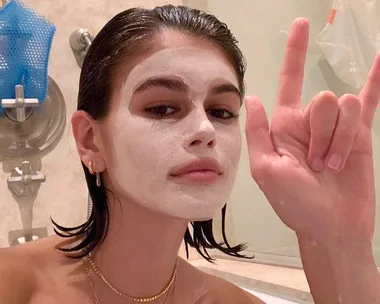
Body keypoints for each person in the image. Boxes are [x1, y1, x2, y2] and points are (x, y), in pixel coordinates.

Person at [0, 4, 379, 304]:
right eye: (163, 108)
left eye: (222, 111)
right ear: (90, 140)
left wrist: (340, 245)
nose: (205, 130)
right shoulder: (13, 285)